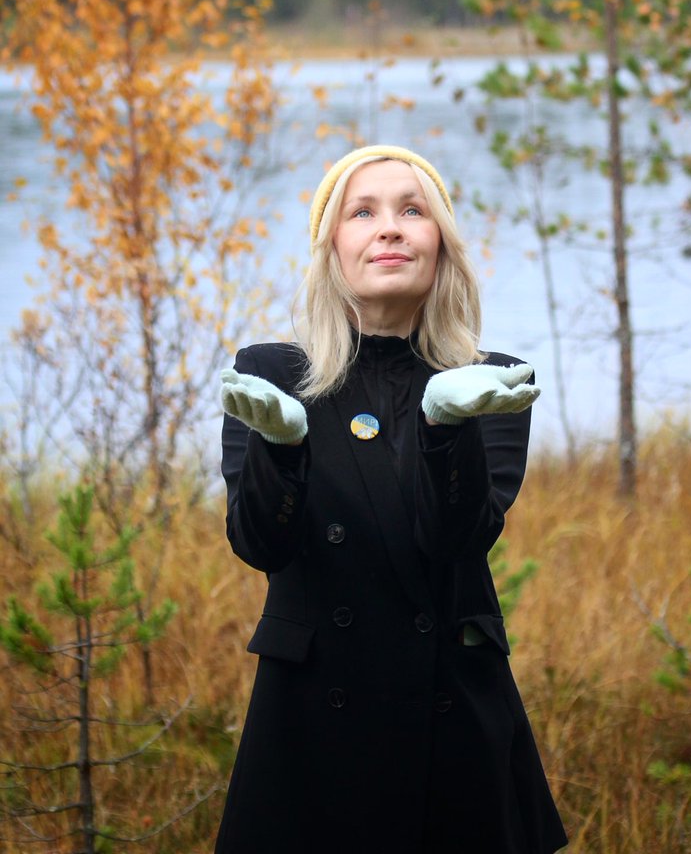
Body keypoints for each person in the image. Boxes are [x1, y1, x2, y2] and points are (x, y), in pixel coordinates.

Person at [215, 144, 567, 854]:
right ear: (333, 248)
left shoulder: (490, 381)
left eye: (413, 210)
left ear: (441, 244)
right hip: (312, 717)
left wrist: (445, 427)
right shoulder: (272, 373)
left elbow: (455, 542)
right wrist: (281, 447)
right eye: (362, 211)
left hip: (450, 713)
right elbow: (260, 544)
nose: (390, 227)